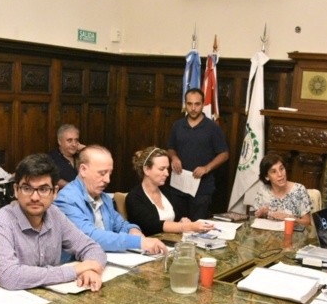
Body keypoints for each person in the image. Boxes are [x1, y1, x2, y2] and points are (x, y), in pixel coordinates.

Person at [0, 154, 106, 291]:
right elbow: (9, 276)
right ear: (16, 190)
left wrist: (89, 271)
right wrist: (75, 270)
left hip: (47, 299)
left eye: (43, 189)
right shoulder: (0, 223)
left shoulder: (55, 214)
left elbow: (91, 247)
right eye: (27, 188)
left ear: (55, 192)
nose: (35, 197)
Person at [55, 145, 167, 254]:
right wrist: (138, 242)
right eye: (102, 173)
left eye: (110, 173)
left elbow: (121, 224)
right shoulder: (66, 199)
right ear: (83, 170)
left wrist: (133, 230)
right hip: (76, 265)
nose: (107, 180)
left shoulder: (104, 198)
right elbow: (89, 236)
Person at [167, 88, 230, 220]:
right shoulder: (177, 126)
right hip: (179, 185)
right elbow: (171, 148)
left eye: (197, 104)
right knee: (178, 223)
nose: (193, 108)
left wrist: (206, 168)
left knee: (198, 226)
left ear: (203, 105)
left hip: (202, 188)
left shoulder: (212, 127)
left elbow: (224, 154)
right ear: (185, 104)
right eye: (189, 104)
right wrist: (174, 157)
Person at [125, 146, 214, 235]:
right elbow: (153, 225)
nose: (167, 173)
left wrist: (182, 220)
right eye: (161, 169)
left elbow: (178, 217)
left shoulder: (165, 191)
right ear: (146, 170)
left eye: (167, 169)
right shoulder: (134, 197)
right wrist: (188, 226)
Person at [253, 154, 313, 226]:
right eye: (274, 171)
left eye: (281, 169)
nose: (280, 174)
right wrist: (260, 214)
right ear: (266, 176)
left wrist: (288, 218)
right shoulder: (263, 191)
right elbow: (256, 221)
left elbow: (307, 223)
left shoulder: (299, 190)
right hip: (269, 236)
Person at [47, 124, 86, 189]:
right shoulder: (51, 158)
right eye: (69, 140)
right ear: (59, 141)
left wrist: (86, 150)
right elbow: (55, 180)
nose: (74, 144)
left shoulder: (82, 155)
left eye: (76, 140)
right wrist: (76, 188)